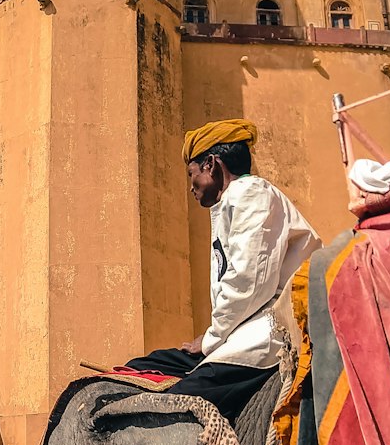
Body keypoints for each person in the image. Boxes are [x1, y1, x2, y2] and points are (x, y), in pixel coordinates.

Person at [122, 118, 321, 422]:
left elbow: (248, 284)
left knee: (169, 409)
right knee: (141, 367)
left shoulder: (251, 194)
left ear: (212, 165)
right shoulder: (232, 202)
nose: (191, 186)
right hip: (236, 331)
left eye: (192, 174)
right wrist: (211, 338)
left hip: (269, 333)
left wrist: (210, 339)